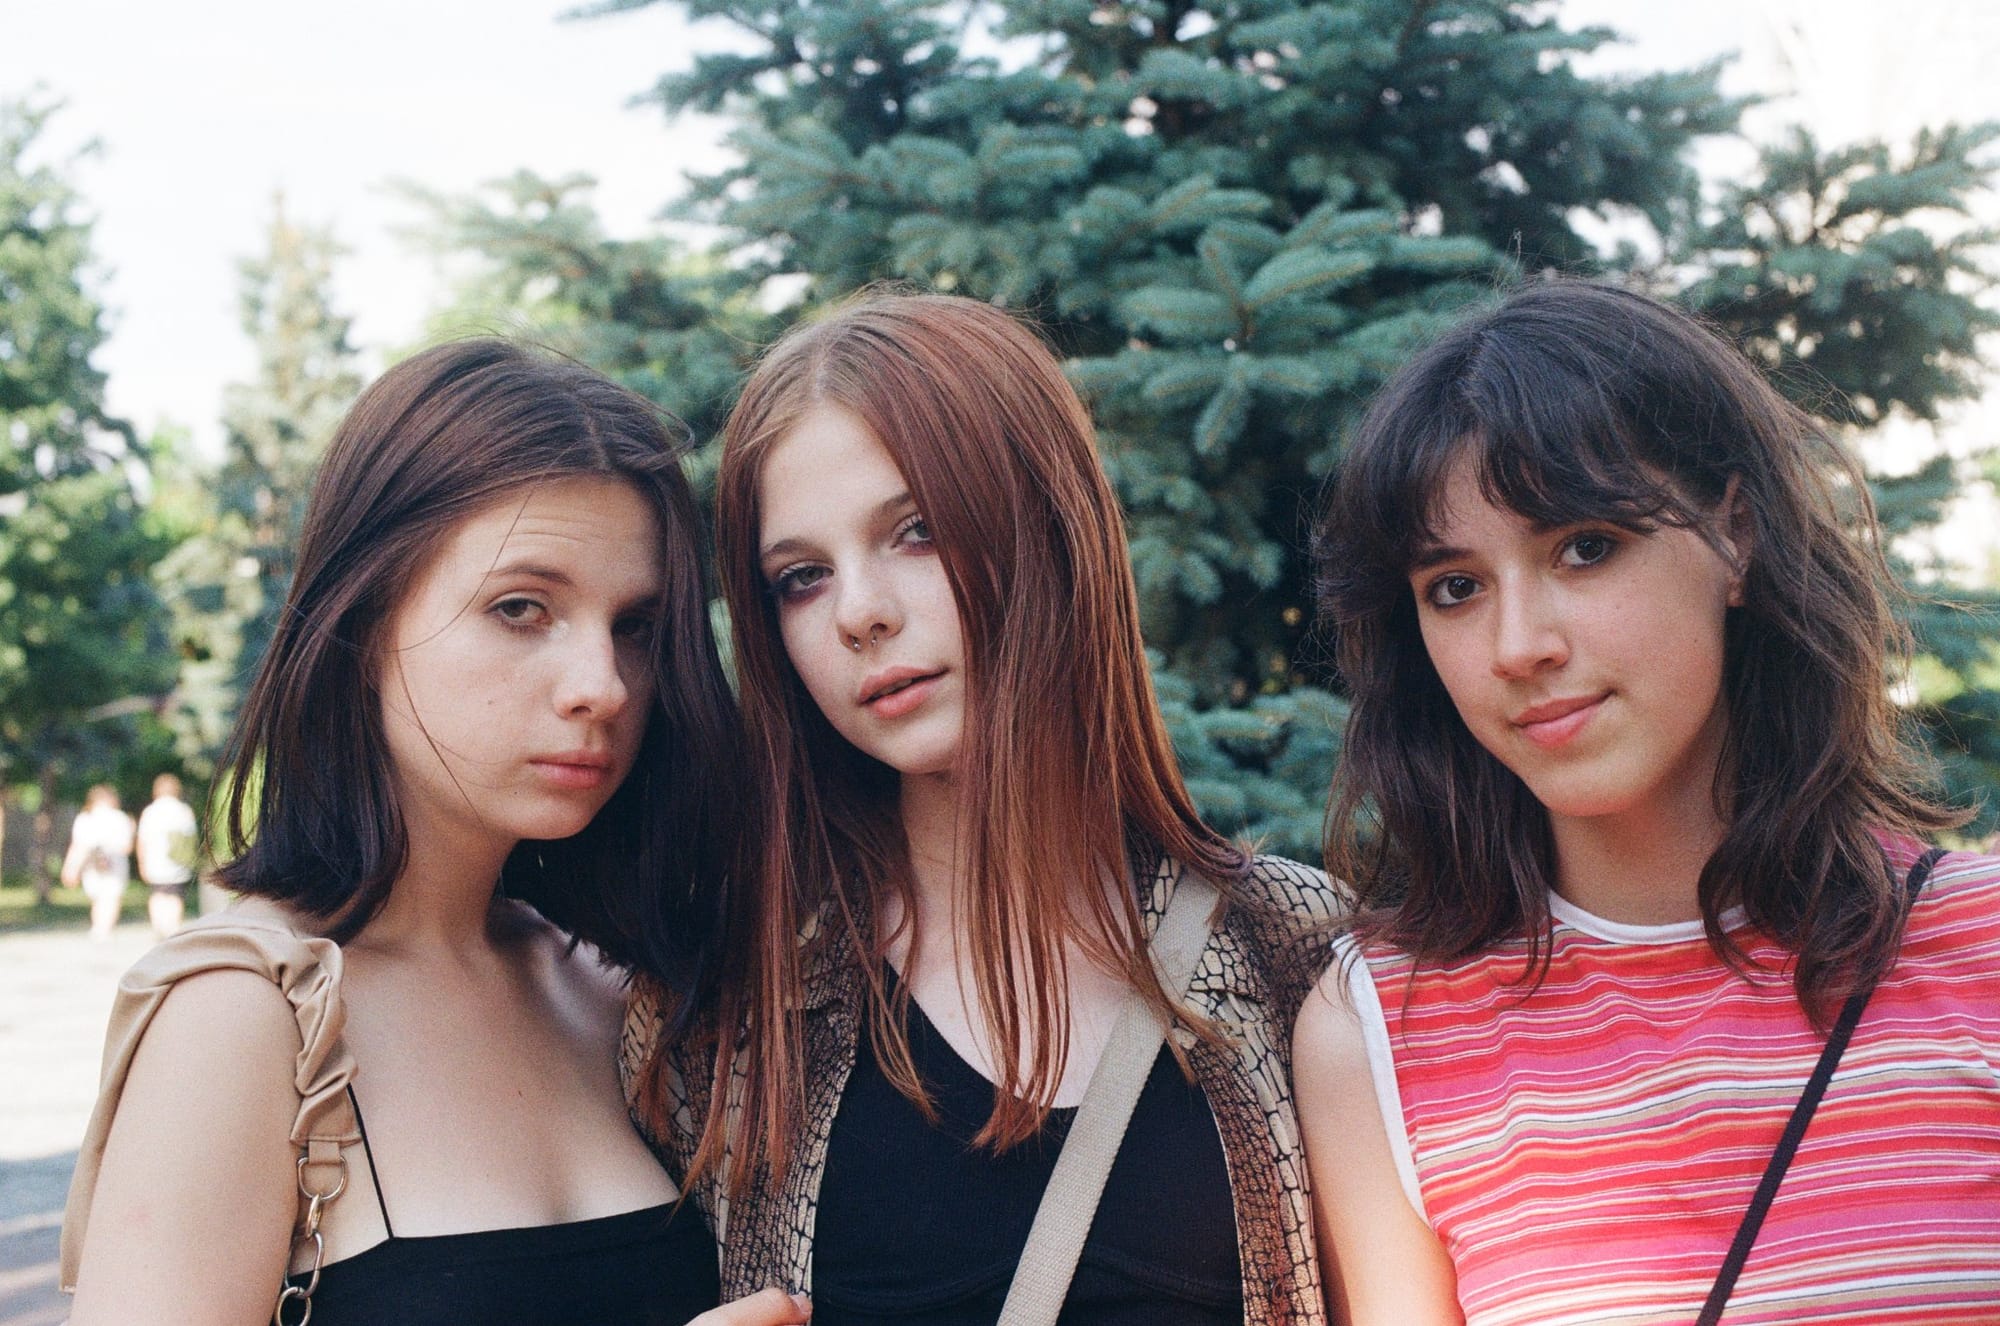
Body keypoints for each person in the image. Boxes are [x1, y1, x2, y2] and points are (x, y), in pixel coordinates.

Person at [623, 292, 1344, 1324]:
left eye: (915, 532)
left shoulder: (1300, 956)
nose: (860, 612)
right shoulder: (723, 1015)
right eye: (800, 578)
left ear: (1049, 528)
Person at [62, 340, 811, 1326]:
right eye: (520, 608)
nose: (603, 685)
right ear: (363, 619)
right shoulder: (245, 1015)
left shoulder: (606, 989)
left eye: (634, 625)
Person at [1296, 280, 2000, 1325]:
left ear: (1734, 537)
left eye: (1583, 547)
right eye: (1455, 587)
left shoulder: (1980, 946)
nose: (1518, 646)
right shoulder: (1379, 1030)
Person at [62, 785, 136, 941]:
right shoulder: (120, 818)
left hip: (91, 862)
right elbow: (126, 846)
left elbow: (78, 845)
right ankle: (106, 927)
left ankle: (98, 926)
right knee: (112, 896)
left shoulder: (85, 818)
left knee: (97, 896)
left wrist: (70, 868)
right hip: (115, 862)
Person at [135, 773, 198, 937]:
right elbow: (191, 838)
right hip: (178, 860)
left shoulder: (150, 811)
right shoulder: (185, 811)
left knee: (157, 894)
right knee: (175, 895)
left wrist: (141, 862)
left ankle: (159, 927)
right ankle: (173, 928)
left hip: (155, 860)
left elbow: (142, 840)